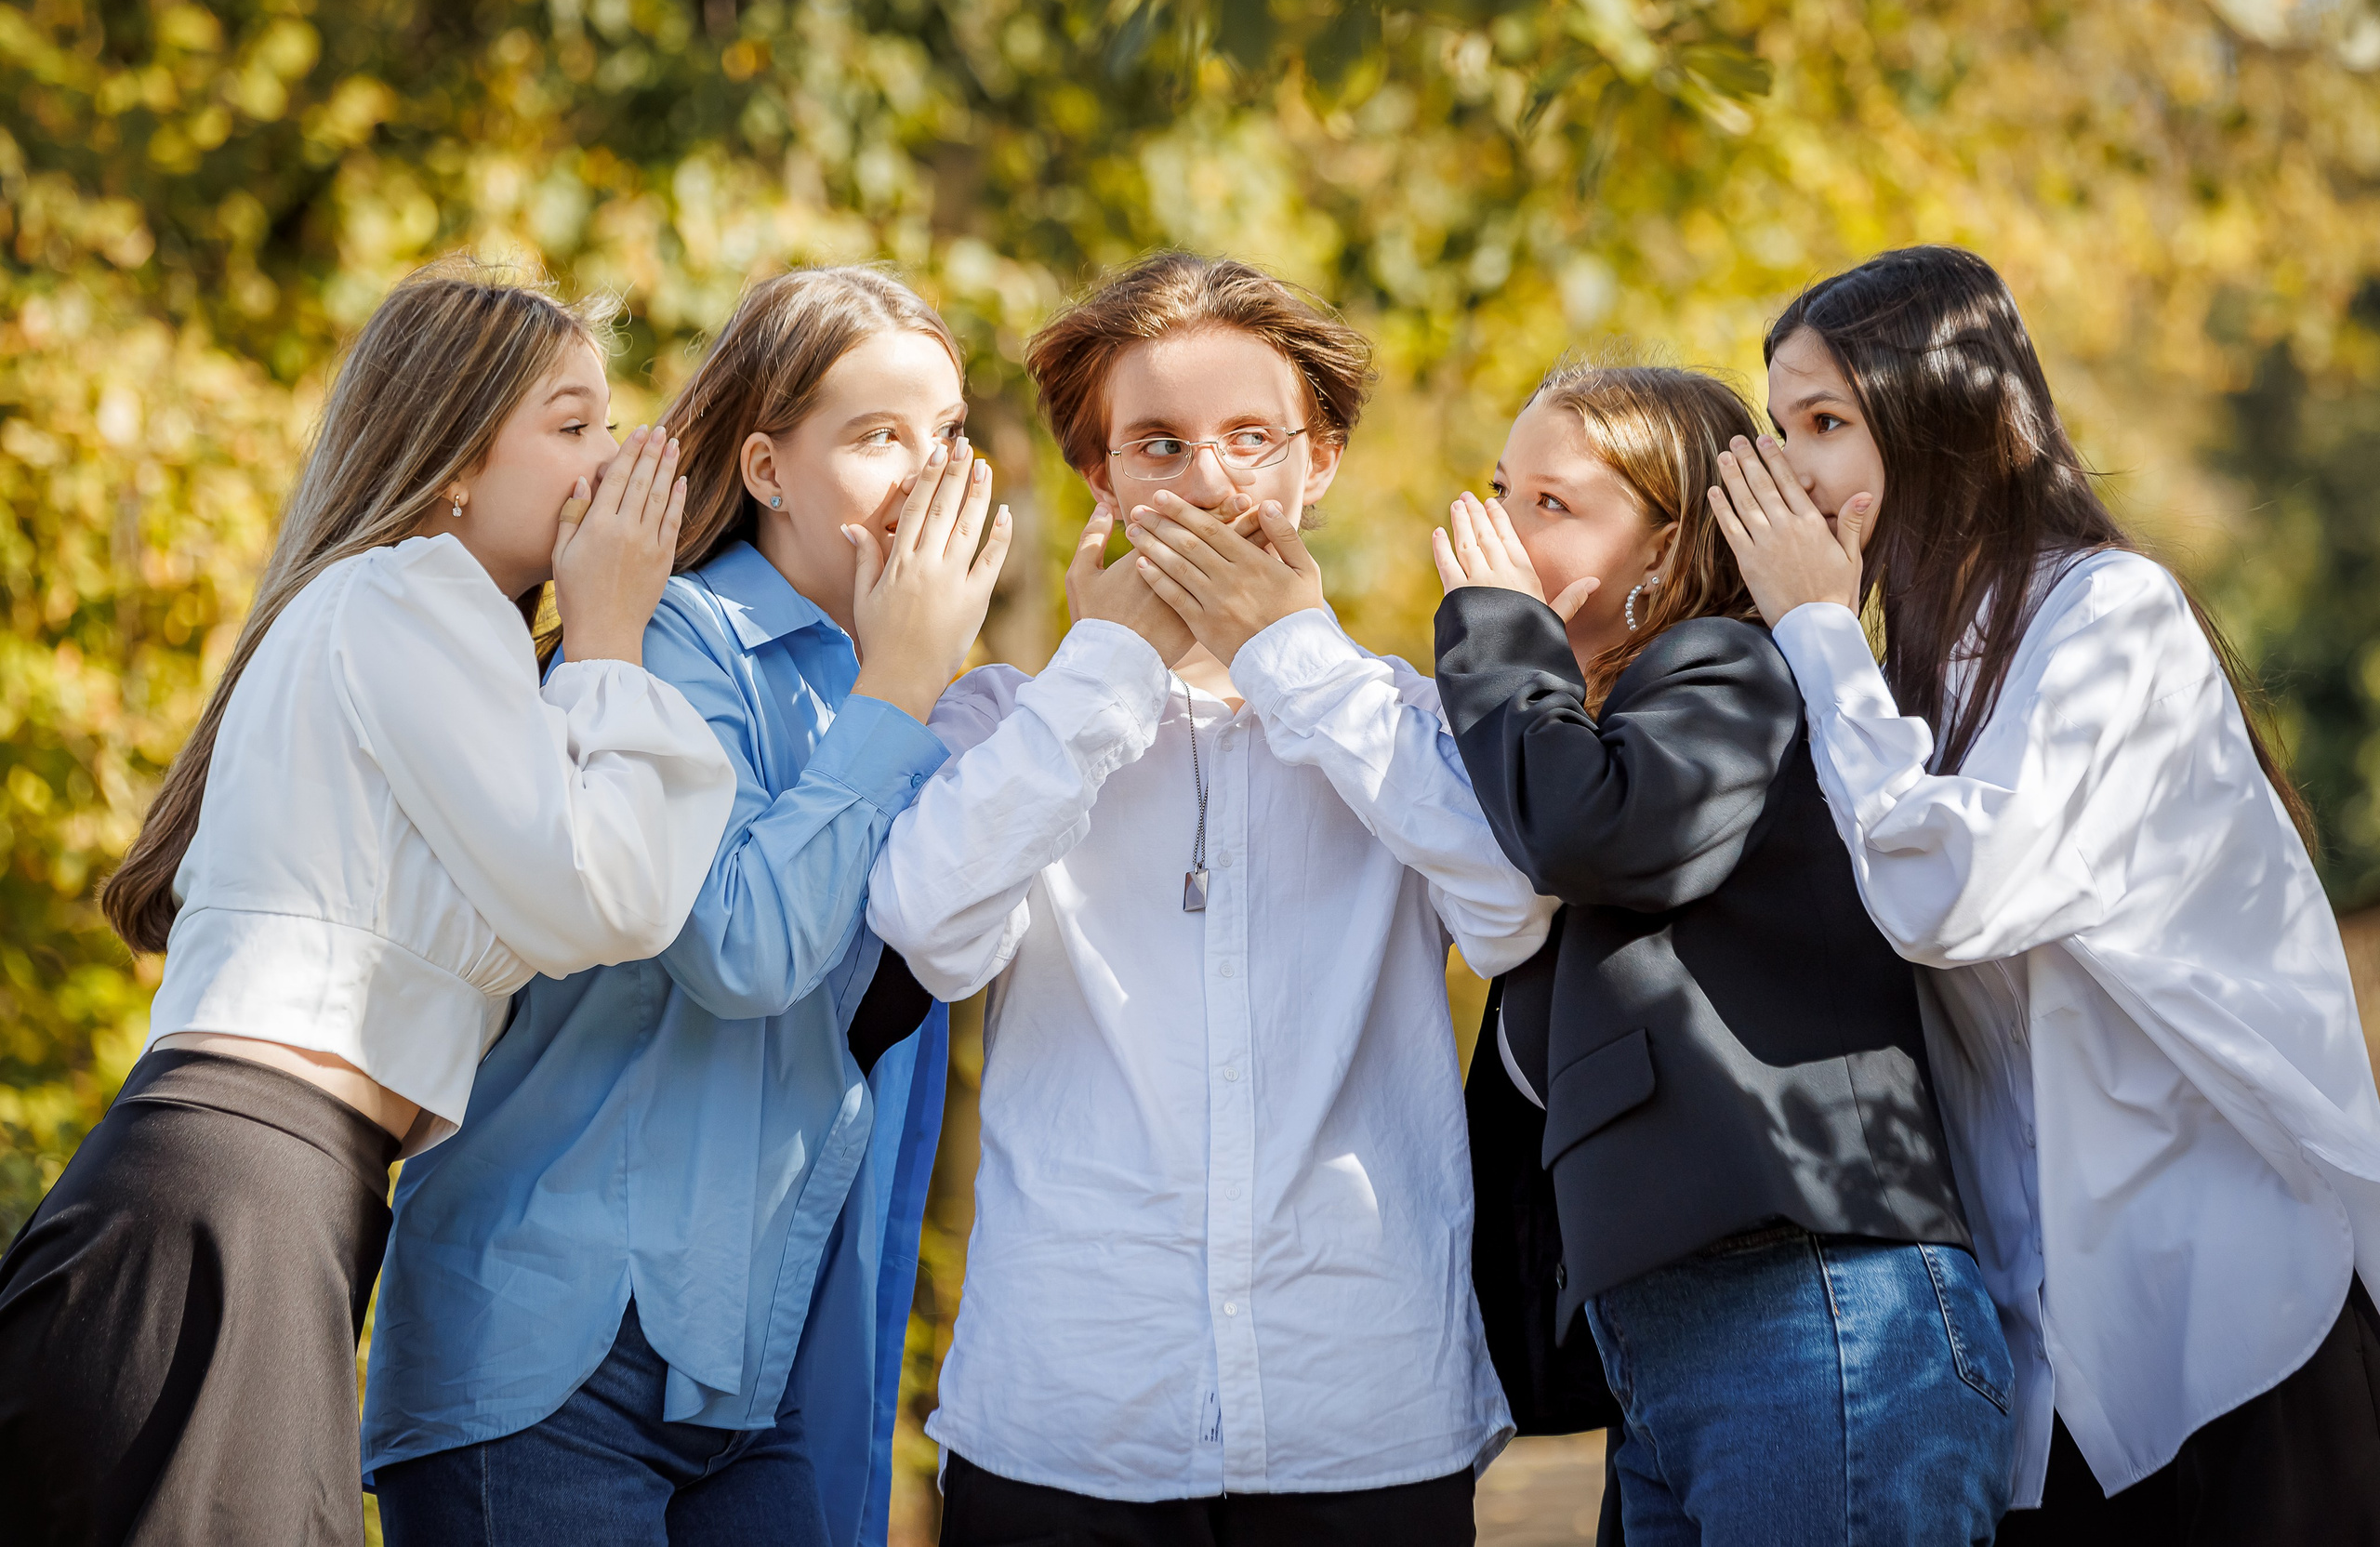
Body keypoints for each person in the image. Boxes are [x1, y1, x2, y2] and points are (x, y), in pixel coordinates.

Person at [0, 261, 737, 1547]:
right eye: (572, 425)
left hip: (279, 1184)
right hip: (245, 1179)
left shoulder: (442, 638)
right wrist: (612, 634)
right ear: (453, 460)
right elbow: (608, 893)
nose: (611, 461)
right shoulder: (404, 595)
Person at [864, 251, 1553, 1547]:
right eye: (1160, 444)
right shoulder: (1009, 722)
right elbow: (933, 927)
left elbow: (1515, 913)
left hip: (1366, 1411)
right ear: (1102, 476)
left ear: (1320, 461)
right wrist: (1104, 674)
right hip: (1066, 1417)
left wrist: (1297, 660)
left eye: (1251, 437)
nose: (1209, 480)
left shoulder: (1407, 723)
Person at [1709, 243, 2380, 1542]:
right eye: (1778, 427)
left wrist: (1815, 636)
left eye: (1829, 424)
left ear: (1950, 421)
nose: (1792, 472)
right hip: (2043, 1368)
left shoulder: (2107, 616)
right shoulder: (1897, 679)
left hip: (2234, 1322)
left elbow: (1954, 889)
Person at [364, 267, 1010, 1547]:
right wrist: (902, 683)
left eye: (948, 437)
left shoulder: (896, 687)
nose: (929, 474)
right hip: (555, 1355)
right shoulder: (670, 633)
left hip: (744, 1374)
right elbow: (742, 949)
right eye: (880, 436)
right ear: (767, 467)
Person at [1431, 362, 2013, 1546]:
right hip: (1683, 1339)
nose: (1495, 531)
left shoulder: (1732, 668)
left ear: (1668, 542)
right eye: (1500, 491)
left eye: (1551, 502)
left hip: (1812, 1308)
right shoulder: (1585, 729)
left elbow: (1598, 839)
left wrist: (1498, 633)